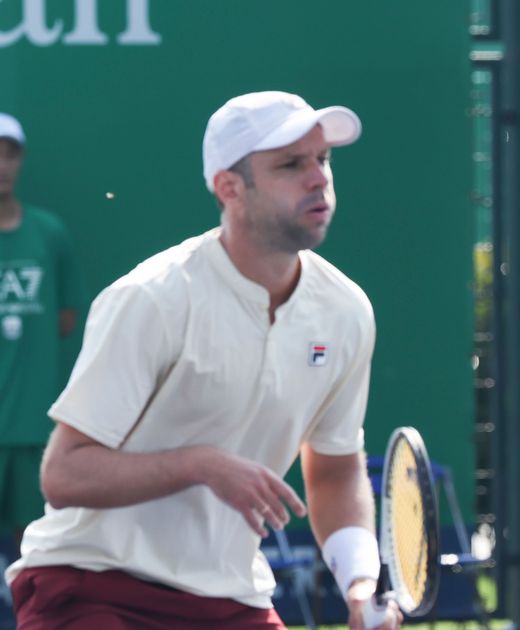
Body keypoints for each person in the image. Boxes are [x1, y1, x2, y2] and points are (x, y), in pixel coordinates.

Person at [4, 91, 400, 630]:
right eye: (290, 164)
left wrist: (359, 583)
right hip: (94, 584)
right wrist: (200, 465)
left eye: (322, 159)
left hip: (232, 598)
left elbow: (333, 471)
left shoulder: (346, 311)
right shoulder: (151, 298)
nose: (317, 178)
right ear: (229, 188)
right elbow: (65, 475)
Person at [0, 113, 82, 557]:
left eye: (9, 153)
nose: (1, 164)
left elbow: (65, 319)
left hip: (36, 428)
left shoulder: (49, 234)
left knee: (37, 547)